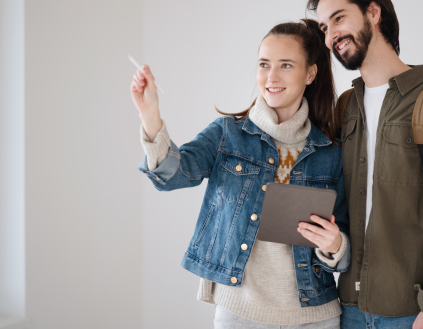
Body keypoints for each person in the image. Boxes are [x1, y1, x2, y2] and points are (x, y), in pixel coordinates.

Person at [130, 19, 351, 328]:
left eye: (286, 65)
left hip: (316, 316)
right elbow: (173, 174)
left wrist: (335, 245)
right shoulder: (227, 135)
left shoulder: (332, 151)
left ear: (310, 73)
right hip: (240, 313)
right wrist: (150, 113)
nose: (271, 76)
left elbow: (346, 244)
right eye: (264, 64)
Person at [307, 0, 423, 329]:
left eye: (339, 18)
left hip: (413, 311)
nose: (331, 35)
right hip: (349, 306)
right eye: (324, 27)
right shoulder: (347, 106)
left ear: (373, 12)